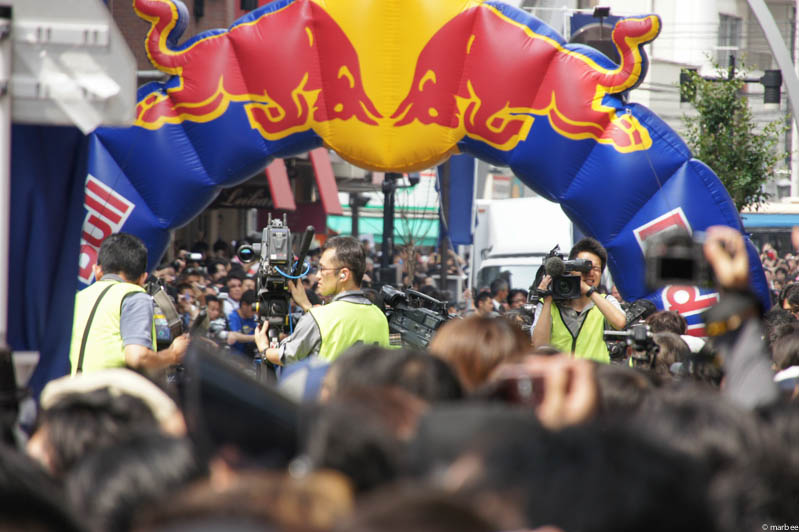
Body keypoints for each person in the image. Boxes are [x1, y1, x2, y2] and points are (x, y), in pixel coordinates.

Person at [254, 236, 390, 365]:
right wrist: (306, 305)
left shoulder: (319, 318)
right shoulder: (379, 316)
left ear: (344, 274)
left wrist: (264, 349)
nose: (317, 275)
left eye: (322, 269)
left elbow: (286, 356)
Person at [69, 233, 188, 374]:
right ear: (143, 278)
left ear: (97, 270)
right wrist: (173, 355)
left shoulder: (77, 298)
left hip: (71, 385)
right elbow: (137, 358)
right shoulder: (134, 296)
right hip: (110, 386)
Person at [531, 237, 626, 363]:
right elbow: (539, 344)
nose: (590, 273)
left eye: (596, 269)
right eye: (584, 267)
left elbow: (620, 323)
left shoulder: (606, 301)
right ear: (570, 269)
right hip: (559, 373)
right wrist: (547, 299)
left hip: (594, 373)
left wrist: (589, 291)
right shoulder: (549, 303)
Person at [227, 289, 258, 358]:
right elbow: (235, 336)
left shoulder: (252, 318)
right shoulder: (233, 317)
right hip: (234, 356)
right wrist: (255, 338)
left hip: (249, 356)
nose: (254, 312)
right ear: (244, 304)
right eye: (253, 309)